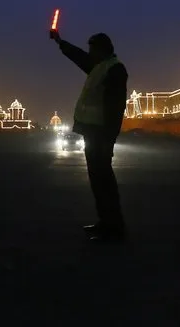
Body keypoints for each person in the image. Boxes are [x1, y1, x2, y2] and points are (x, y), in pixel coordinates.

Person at [50, 28, 128, 242]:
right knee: (97, 180)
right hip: (92, 133)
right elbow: (79, 57)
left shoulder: (114, 70)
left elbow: (116, 107)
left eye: (92, 49)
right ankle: (105, 222)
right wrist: (60, 42)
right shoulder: (100, 67)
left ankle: (114, 228)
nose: (89, 53)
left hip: (101, 135)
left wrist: (109, 139)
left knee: (104, 182)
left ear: (102, 50)